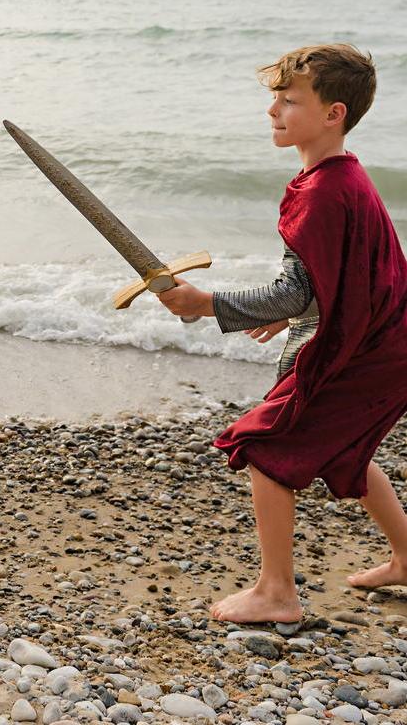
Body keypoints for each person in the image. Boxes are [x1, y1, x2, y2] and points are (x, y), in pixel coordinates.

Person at [158, 44, 407, 623]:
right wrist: (299, 308)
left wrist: (206, 301)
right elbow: (334, 275)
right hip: (386, 341)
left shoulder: (322, 192)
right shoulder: (342, 177)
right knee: (344, 448)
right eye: (273, 98)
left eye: (289, 101)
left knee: (267, 448)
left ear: (333, 114)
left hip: (363, 348)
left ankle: (277, 593)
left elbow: (296, 289)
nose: (273, 111)